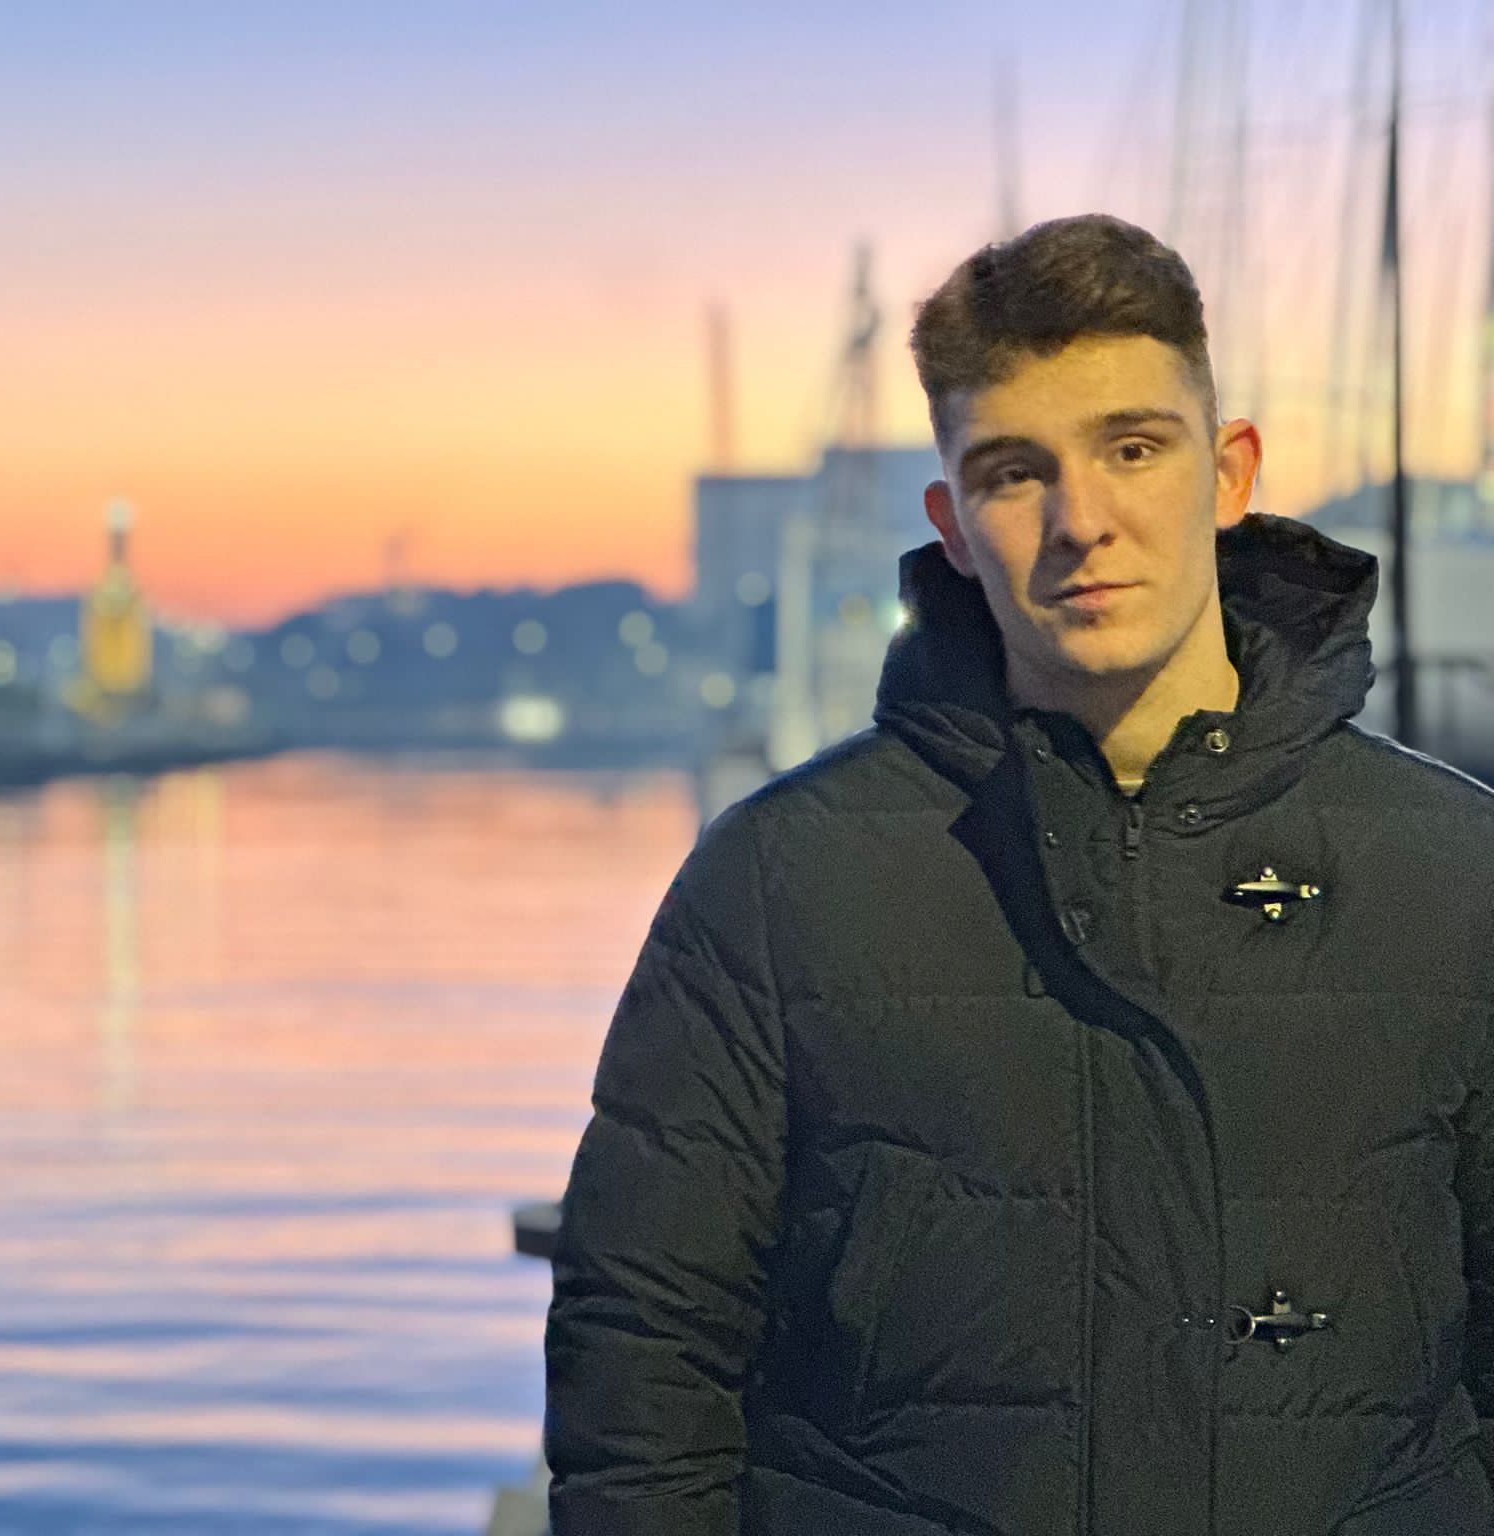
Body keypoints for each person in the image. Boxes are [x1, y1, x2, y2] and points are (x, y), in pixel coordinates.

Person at [542, 212, 1494, 1535]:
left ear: (1230, 474)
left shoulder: (1457, 870)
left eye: (1133, 448)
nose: (1080, 522)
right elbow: (643, 1365)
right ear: (950, 523)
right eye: (1013, 472)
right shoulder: (774, 885)